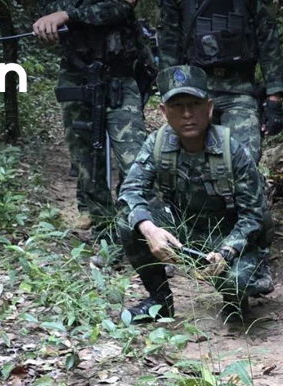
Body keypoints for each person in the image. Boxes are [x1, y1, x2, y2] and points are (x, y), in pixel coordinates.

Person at [117, 65, 274, 321]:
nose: (187, 114)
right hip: (182, 231)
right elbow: (131, 191)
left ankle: (237, 298)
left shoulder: (232, 150)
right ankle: (159, 301)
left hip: (224, 235)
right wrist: (151, 230)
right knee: (128, 221)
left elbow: (253, 216)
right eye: (178, 106)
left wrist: (226, 252)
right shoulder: (157, 144)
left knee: (237, 283)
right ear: (164, 112)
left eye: (194, 104)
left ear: (209, 108)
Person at [35, 0, 152, 237]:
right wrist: (49, 22)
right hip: (76, 74)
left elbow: (120, 7)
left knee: (135, 160)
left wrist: (68, 15)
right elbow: (48, 12)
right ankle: (105, 232)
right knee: (87, 162)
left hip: (120, 75)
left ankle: (138, 226)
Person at [156, 0, 283, 162]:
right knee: (192, 163)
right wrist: (169, 94)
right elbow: (169, 39)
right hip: (195, 92)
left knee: (245, 161)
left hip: (240, 90)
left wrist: (274, 95)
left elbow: (267, 35)